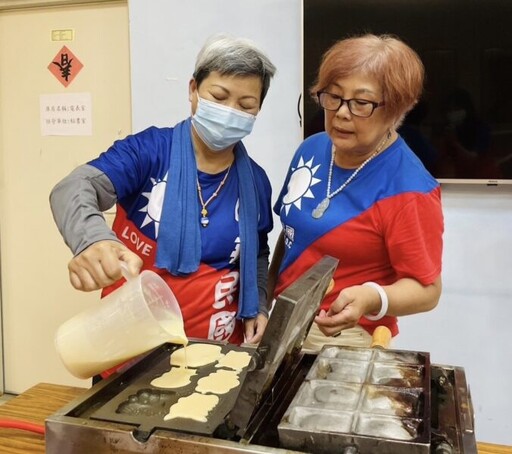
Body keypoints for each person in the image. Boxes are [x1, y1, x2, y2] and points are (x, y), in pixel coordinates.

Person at [50, 34, 276, 378]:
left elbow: (258, 250)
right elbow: (74, 187)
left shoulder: (255, 180)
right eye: (219, 96)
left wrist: (258, 303)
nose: (231, 112)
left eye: (246, 105)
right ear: (193, 90)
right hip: (130, 352)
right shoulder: (150, 152)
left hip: (215, 357)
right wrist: (92, 239)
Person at [269, 34, 444, 351]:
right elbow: (292, 233)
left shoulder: (409, 189)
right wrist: (263, 299)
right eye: (332, 97)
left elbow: (427, 289)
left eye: (361, 103)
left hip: (346, 336)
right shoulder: (311, 148)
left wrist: (371, 297)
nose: (341, 113)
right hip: (284, 319)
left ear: (397, 109)